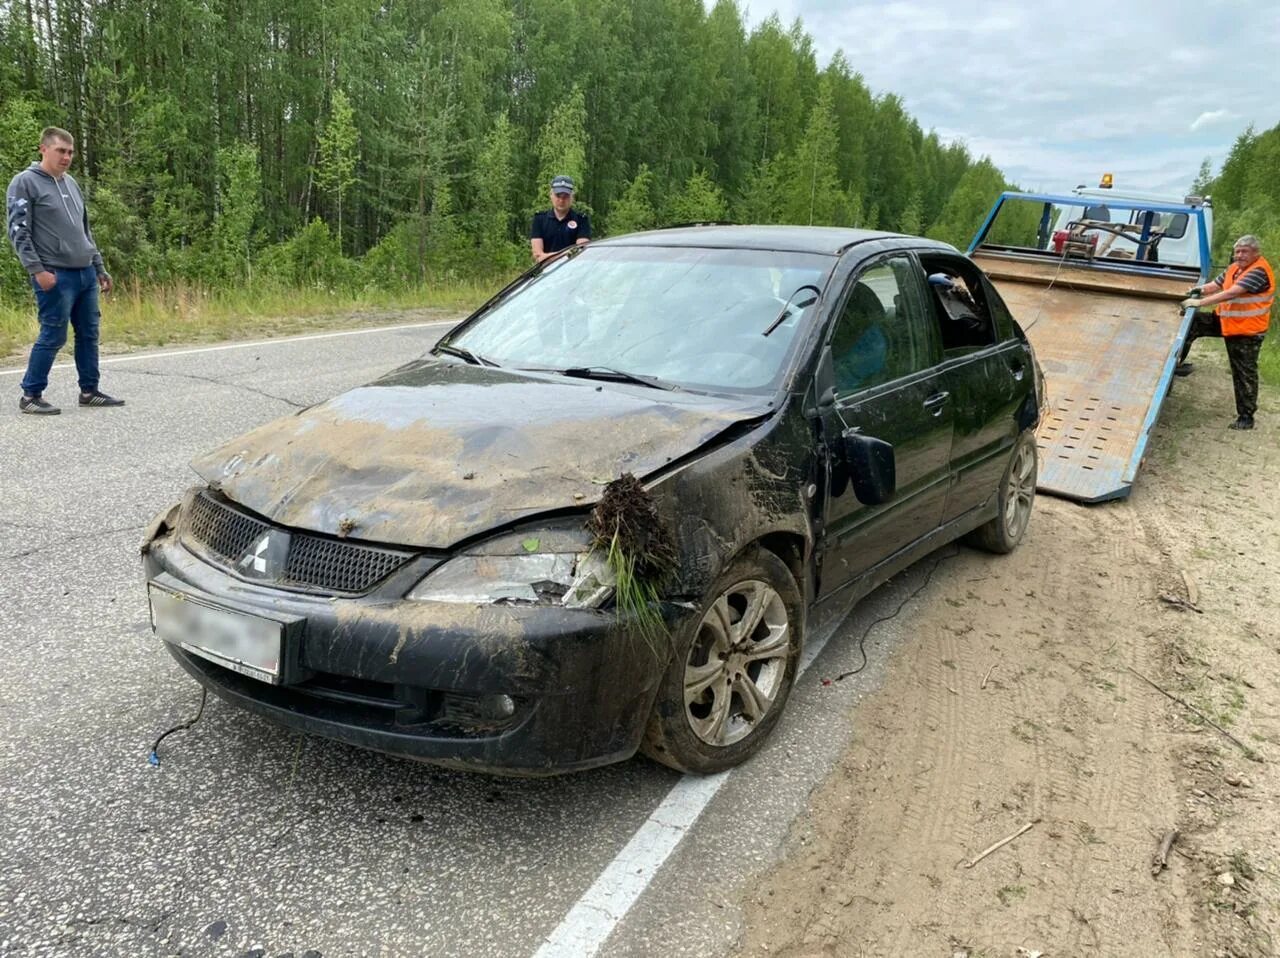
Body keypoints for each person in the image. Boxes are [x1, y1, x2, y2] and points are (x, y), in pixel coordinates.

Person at [6, 126, 122, 414]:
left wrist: (99, 267)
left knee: (89, 333)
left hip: (84, 272)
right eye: (61, 150)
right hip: (55, 274)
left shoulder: (71, 183)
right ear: (43, 149)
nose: (67, 157)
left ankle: (89, 390)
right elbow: (18, 231)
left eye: (70, 152)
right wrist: (37, 270)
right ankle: (31, 395)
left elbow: (84, 231)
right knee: (54, 334)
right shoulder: (25, 183)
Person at [1177, 235, 1273, 431]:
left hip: (1247, 331)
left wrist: (1199, 302)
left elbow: (1231, 292)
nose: (1239, 255)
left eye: (1244, 251)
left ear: (1256, 253)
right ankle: (1177, 364)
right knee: (1194, 323)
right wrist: (1198, 290)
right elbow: (1217, 284)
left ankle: (1246, 417)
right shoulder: (1235, 268)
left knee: (1243, 373)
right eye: (1237, 251)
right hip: (1227, 321)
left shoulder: (1258, 271)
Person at [529, 175, 591, 263]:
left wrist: (549, 256)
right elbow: (538, 256)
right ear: (551, 195)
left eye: (566, 196)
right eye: (558, 195)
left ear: (572, 197)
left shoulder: (581, 220)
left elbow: (580, 254)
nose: (561, 200)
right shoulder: (540, 219)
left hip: (572, 272)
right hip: (546, 273)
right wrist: (567, 254)